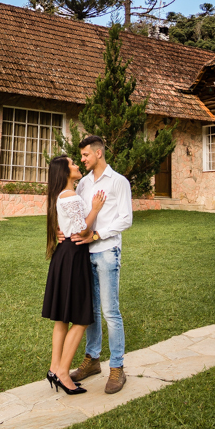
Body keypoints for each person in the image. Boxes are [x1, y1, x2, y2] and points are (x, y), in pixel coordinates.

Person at [68, 134, 133, 394]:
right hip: (85, 254)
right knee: (91, 311)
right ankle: (92, 360)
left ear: (98, 153)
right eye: (81, 156)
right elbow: (80, 216)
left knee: (110, 312)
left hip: (107, 251)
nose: (82, 159)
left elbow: (126, 219)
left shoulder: (118, 182)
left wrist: (97, 235)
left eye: (85, 155)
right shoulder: (83, 184)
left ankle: (117, 367)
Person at [41, 155, 106, 394]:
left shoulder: (61, 195)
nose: (77, 165)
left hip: (65, 254)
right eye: (72, 164)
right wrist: (96, 209)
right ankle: (62, 373)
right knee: (80, 318)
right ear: (65, 172)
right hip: (74, 256)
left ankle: (54, 367)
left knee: (62, 318)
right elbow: (82, 229)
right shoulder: (70, 196)